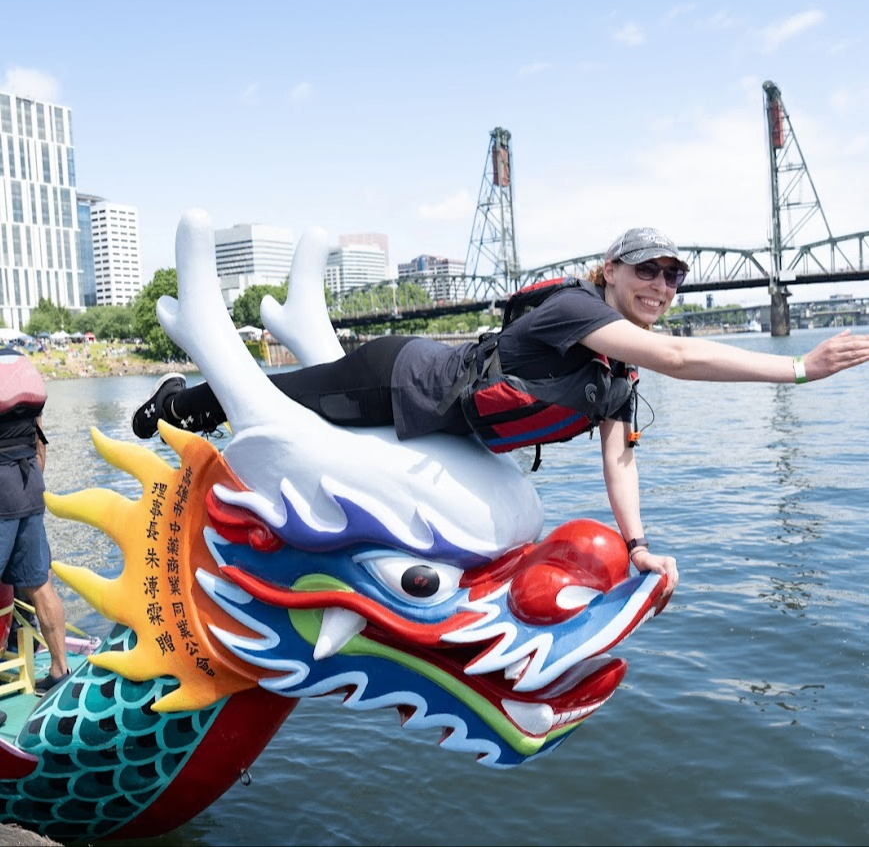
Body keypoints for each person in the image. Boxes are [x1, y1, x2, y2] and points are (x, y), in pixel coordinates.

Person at [131, 227, 869, 602]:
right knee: (264, 399)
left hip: (432, 422)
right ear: (609, 270)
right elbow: (678, 357)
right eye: (647, 268)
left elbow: (620, 460)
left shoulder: (616, 373)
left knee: (282, 420)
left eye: (673, 275)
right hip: (396, 380)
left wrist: (636, 543)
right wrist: (799, 368)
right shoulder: (574, 310)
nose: (661, 284)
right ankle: (176, 400)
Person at [0, 346, 69, 696]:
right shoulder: (23, 389)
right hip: (30, 486)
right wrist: (33, 488)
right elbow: (41, 446)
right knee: (40, 584)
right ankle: (61, 670)